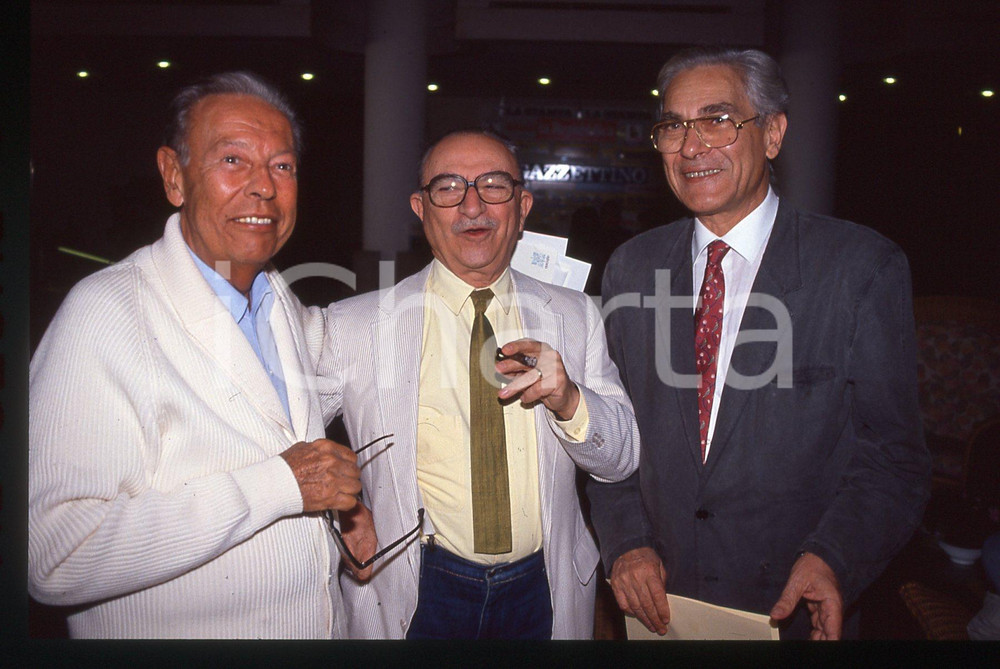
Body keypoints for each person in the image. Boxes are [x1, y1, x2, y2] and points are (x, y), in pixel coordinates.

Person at [587, 46, 931, 640]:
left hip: (791, 603)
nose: (692, 147)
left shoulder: (859, 268)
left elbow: (893, 458)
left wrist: (834, 557)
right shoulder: (631, 268)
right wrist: (626, 542)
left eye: (718, 120)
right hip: (659, 602)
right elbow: (609, 430)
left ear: (772, 134)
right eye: (673, 126)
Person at [28, 72, 363, 638]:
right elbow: (54, 554)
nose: (264, 187)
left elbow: (319, 364)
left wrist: (341, 518)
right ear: (173, 176)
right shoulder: (107, 314)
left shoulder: (271, 293)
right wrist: (282, 486)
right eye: (234, 160)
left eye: (282, 166)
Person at [313, 129, 640, 639]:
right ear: (421, 208)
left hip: (544, 585)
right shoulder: (355, 325)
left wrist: (571, 400)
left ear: (523, 206)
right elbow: (278, 426)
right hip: (417, 585)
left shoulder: (575, 316)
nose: (472, 206)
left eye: (493, 185)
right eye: (448, 187)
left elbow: (621, 458)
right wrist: (344, 510)